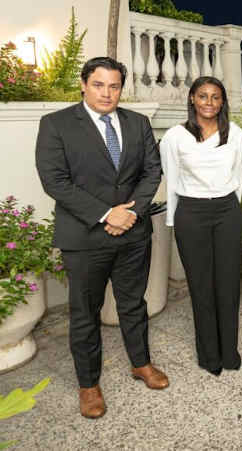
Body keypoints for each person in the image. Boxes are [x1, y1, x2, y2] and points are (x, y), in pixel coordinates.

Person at [35, 57, 167, 419]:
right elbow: (55, 181)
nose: (107, 93)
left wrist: (132, 212)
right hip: (84, 237)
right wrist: (109, 214)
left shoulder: (137, 123)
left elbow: (152, 172)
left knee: (132, 304)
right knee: (84, 314)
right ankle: (89, 384)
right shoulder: (56, 124)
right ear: (83, 84)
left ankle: (141, 363)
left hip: (133, 235)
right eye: (99, 84)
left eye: (114, 86)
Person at [160, 76, 242, 376]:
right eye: (203, 96)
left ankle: (229, 351)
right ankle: (209, 355)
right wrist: (174, 221)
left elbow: (239, 177)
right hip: (191, 213)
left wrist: (231, 210)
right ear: (192, 100)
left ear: (222, 102)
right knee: (201, 286)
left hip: (226, 211)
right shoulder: (175, 136)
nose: (209, 102)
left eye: (215, 97)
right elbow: (171, 180)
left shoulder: (235, 133)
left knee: (228, 284)